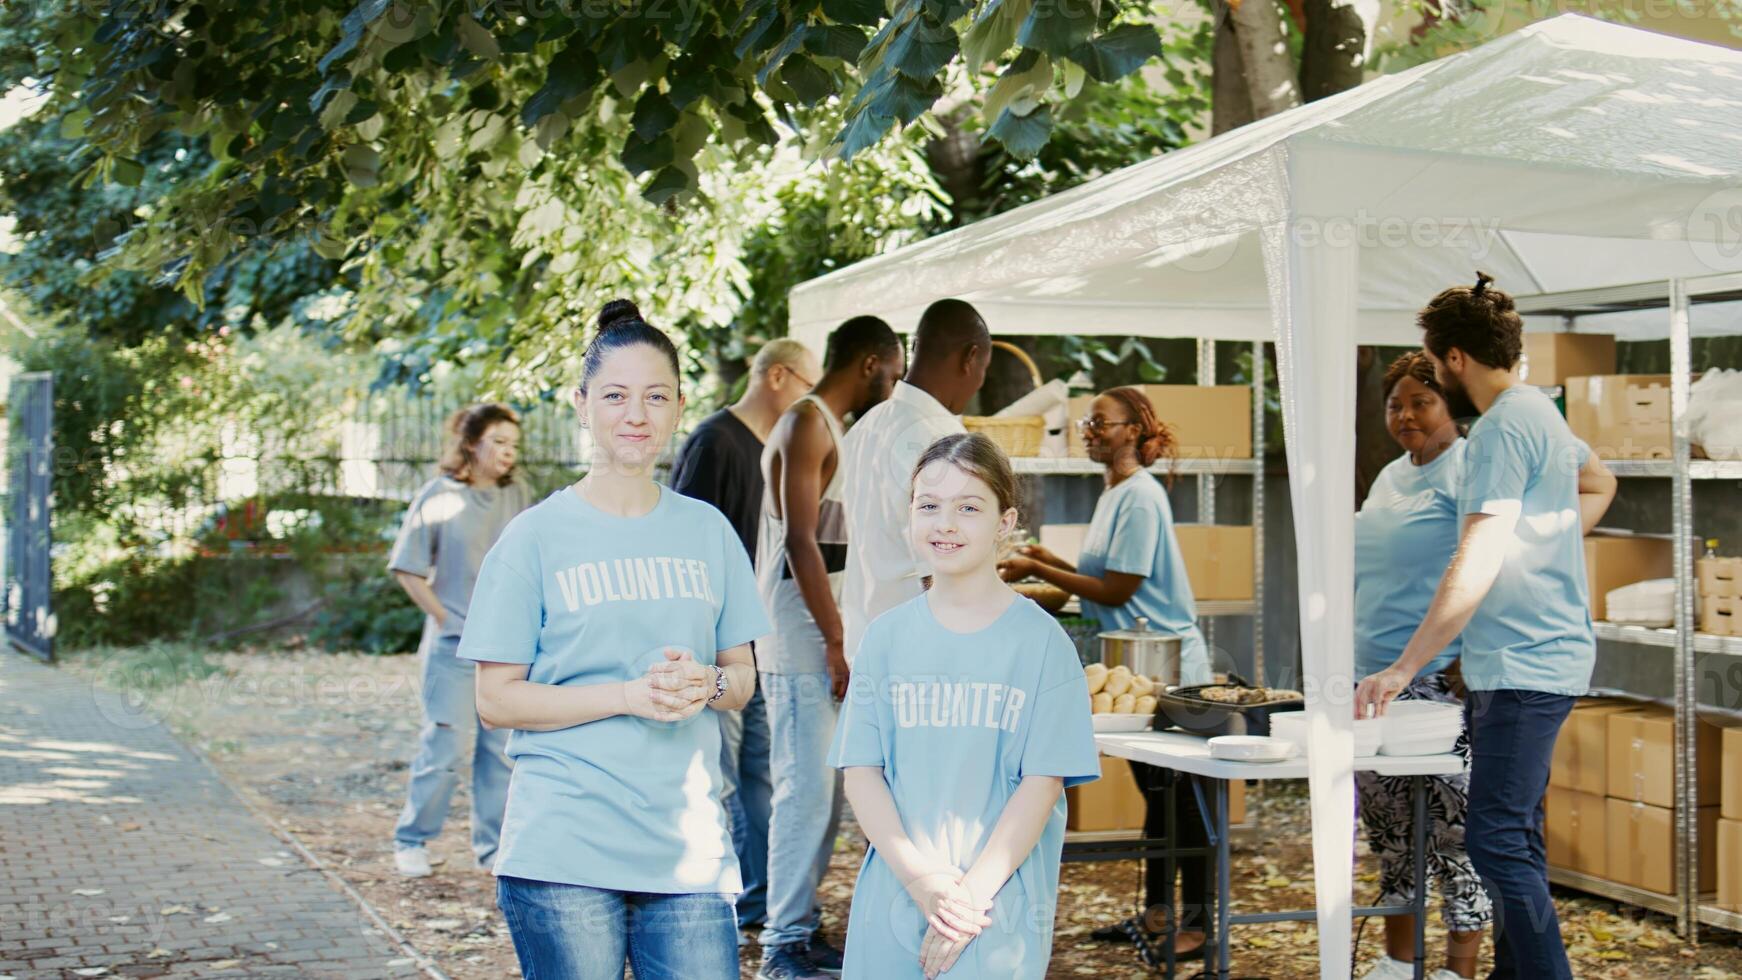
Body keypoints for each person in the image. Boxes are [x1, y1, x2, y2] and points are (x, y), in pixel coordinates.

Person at [461, 300, 771, 980]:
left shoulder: (709, 532)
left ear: (679, 405)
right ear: (581, 404)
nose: (637, 415)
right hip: (564, 851)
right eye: (616, 396)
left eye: (655, 396)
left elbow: (741, 679)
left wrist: (708, 684)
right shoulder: (534, 538)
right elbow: (496, 699)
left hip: (687, 851)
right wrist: (629, 696)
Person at [1355, 274, 1616, 980]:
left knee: (1496, 841)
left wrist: (1403, 668)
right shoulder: (1540, 412)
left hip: (1524, 665)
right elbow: (1594, 483)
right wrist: (1541, 544)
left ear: (1455, 360)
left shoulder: (1501, 429)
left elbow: (1474, 559)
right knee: (1516, 838)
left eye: (1433, 366)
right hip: (1534, 660)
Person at [829, 433, 1100, 979]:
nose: (944, 524)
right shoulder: (884, 639)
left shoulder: (1043, 645)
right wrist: (921, 881)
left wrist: (967, 899)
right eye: (928, 506)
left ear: (1005, 522)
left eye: (968, 508)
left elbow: (1042, 784)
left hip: (994, 907)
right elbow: (862, 772)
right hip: (897, 894)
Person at [997, 385, 1211, 964]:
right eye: (1086, 423)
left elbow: (1120, 588)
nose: (1090, 431)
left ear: (1136, 431)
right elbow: (1097, 574)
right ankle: (1159, 915)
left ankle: (1195, 928)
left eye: (1103, 423)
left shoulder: (1140, 496)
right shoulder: (1113, 492)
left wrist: (1036, 568)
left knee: (1183, 799)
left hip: (1168, 666)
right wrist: (1037, 563)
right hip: (1136, 661)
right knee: (1158, 795)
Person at [754, 316, 905, 980]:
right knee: (804, 791)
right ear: (871, 362)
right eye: (896, 372)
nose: (896, 385)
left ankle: (802, 928)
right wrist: (837, 640)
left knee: (827, 795)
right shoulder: (808, 421)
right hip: (800, 635)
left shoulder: (837, 427)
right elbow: (800, 542)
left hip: (826, 631)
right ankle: (781, 943)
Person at [672, 336, 820, 941]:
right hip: (715, 645)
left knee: (763, 774)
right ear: (780, 377)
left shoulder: (776, 447)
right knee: (725, 775)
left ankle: (759, 899)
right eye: (810, 386)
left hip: (761, 642)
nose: (813, 403)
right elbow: (681, 544)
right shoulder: (714, 441)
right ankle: (722, 898)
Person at [1352, 353, 1489, 980]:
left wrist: (1470, 653)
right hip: (1371, 681)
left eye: (1421, 402)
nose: (1405, 415)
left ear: (1448, 406)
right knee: (1390, 835)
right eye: (1395, 405)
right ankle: (1397, 963)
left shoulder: (1468, 470)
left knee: (1457, 836)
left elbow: (1490, 567)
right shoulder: (1388, 476)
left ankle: (1458, 972)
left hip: (1436, 682)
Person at [388, 403, 534, 878]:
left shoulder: (521, 496)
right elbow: (406, 568)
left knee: (499, 754)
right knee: (445, 747)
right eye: (500, 442)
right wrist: (445, 617)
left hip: (507, 650)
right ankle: (413, 840)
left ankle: (493, 850)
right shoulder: (438, 495)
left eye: (515, 445)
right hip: (451, 648)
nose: (510, 453)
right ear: (472, 444)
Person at [840, 298, 991, 664]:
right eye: (983, 369)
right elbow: (942, 565)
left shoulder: (866, 425)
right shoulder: (939, 437)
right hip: (922, 657)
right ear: (970, 358)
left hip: (866, 644)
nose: (979, 382)